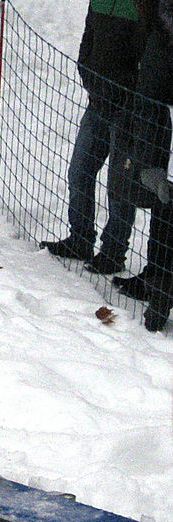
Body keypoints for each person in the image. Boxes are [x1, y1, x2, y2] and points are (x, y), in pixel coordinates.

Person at [39, 0, 144, 274]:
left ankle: (113, 252)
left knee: (119, 185)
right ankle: (81, 239)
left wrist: (126, 92)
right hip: (97, 102)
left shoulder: (143, 5)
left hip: (127, 108)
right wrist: (87, 74)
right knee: (79, 172)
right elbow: (88, 37)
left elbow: (145, 55)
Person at [112, 0, 173, 331]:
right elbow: (149, 96)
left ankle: (160, 297)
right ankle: (155, 282)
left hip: (159, 131)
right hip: (161, 137)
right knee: (165, 213)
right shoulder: (157, 32)